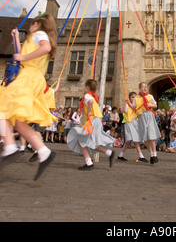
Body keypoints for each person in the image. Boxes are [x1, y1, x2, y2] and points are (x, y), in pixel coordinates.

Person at [0, 14, 57, 180]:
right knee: (18, 120)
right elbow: (21, 52)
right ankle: (44, 152)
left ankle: (9, 147)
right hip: (30, 77)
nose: (30, 27)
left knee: (2, 106)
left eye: (32, 24)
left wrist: (23, 57)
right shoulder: (34, 38)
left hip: (29, 77)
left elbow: (44, 48)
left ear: (36, 24)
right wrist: (16, 38)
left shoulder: (39, 35)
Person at [67, 79, 115, 170]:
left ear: (87, 87)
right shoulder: (93, 96)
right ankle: (108, 153)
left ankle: (89, 162)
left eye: (84, 87)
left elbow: (90, 102)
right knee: (90, 141)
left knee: (82, 140)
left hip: (91, 120)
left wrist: (88, 112)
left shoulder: (87, 96)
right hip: (96, 120)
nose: (83, 88)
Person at [132, 82, 161, 164]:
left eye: (146, 87)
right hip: (141, 116)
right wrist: (128, 102)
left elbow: (155, 105)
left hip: (149, 115)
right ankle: (151, 154)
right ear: (140, 88)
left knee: (151, 135)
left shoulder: (150, 96)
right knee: (146, 137)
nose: (145, 88)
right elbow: (134, 107)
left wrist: (150, 104)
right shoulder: (136, 98)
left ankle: (155, 154)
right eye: (143, 87)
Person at [117, 92, 148, 163]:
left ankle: (121, 155)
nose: (134, 99)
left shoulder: (135, 106)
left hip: (134, 123)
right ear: (130, 98)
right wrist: (125, 102)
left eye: (135, 97)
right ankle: (141, 156)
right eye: (132, 97)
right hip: (129, 123)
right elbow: (124, 111)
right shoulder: (127, 104)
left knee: (130, 141)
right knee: (132, 140)